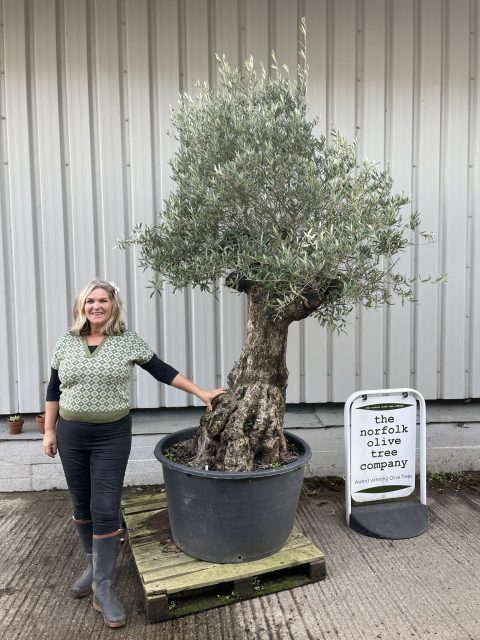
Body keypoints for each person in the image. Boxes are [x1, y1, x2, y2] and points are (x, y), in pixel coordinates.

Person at [42, 279, 226, 628]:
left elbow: (163, 371)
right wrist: (50, 431)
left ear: (113, 305)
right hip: (71, 434)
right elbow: (54, 390)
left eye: (103, 301)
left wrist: (201, 392)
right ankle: (94, 566)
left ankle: (104, 589)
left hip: (111, 436)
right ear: (81, 306)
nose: (96, 306)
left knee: (105, 507)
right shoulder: (65, 343)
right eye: (90, 301)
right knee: (81, 504)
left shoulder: (127, 342)